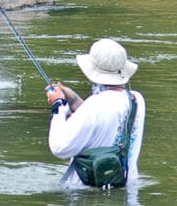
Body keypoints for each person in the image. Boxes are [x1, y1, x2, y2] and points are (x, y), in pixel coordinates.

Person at [45, 38, 146, 187]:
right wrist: (73, 99)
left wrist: (58, 105)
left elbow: (59, 147)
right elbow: (102, 114)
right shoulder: (136, 100)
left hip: (82, 193)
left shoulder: (94, 106)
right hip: (127, 187)